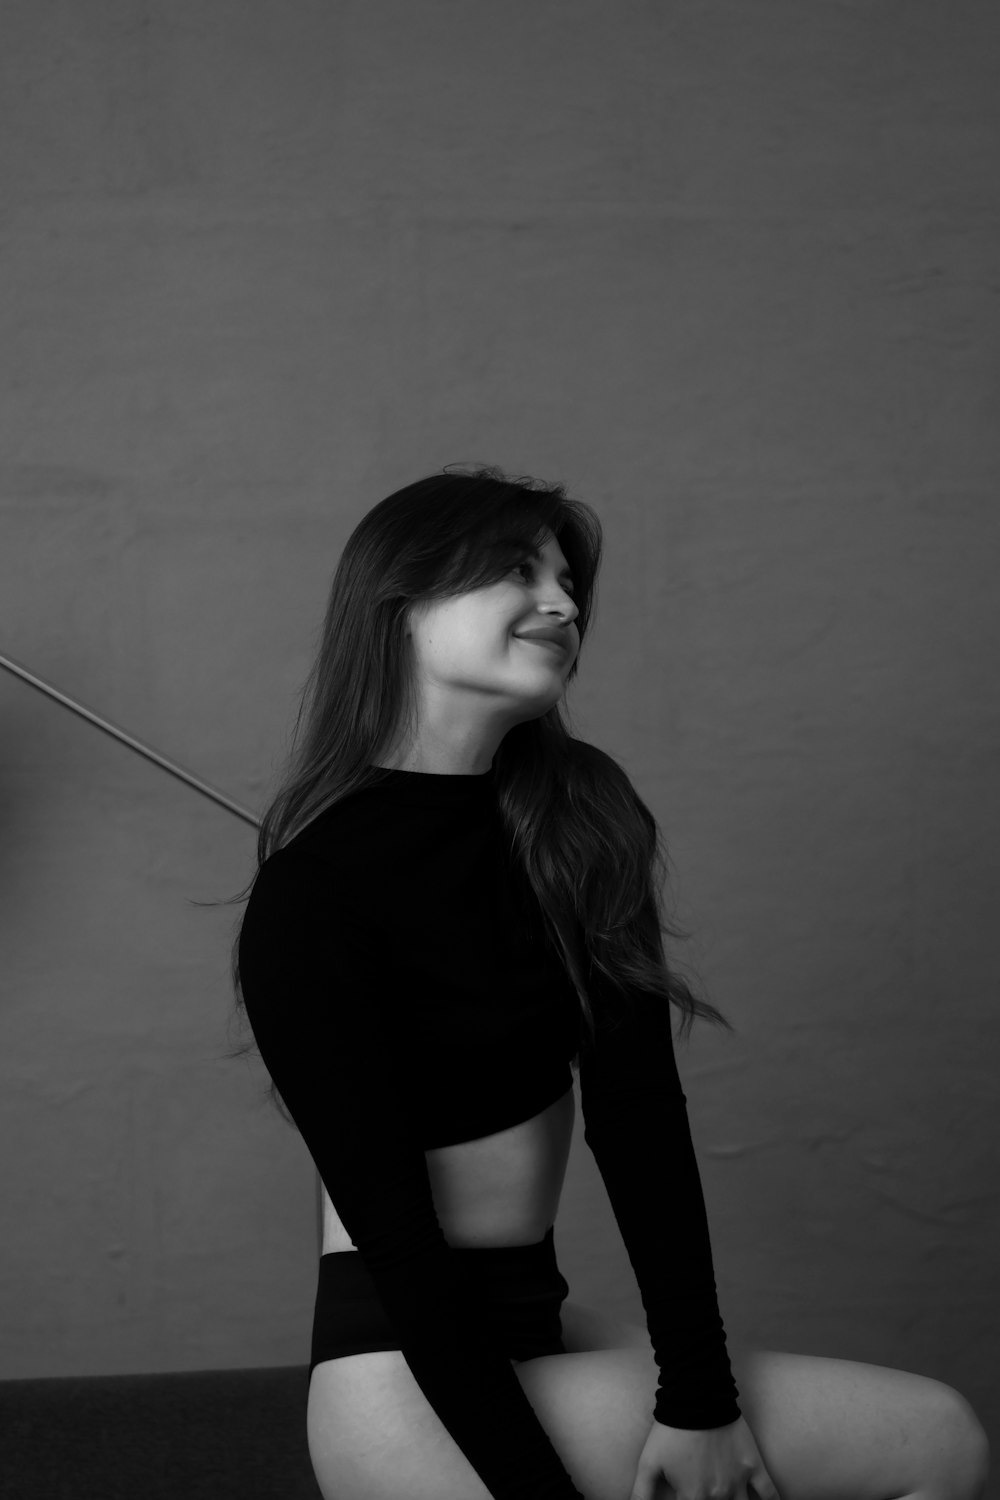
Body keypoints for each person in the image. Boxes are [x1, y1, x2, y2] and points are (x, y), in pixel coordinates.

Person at [226, 466, 989, 1500]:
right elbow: (402, 1249)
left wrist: (701, 1400)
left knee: (923, 1439)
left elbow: (638, 1123)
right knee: (933, 1439)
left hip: (539, 1317)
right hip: (407, 1371)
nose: (563, 602)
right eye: (516, 571)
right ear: (398, 606)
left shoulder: (574, 822)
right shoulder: (311, 893)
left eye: (566, 577)